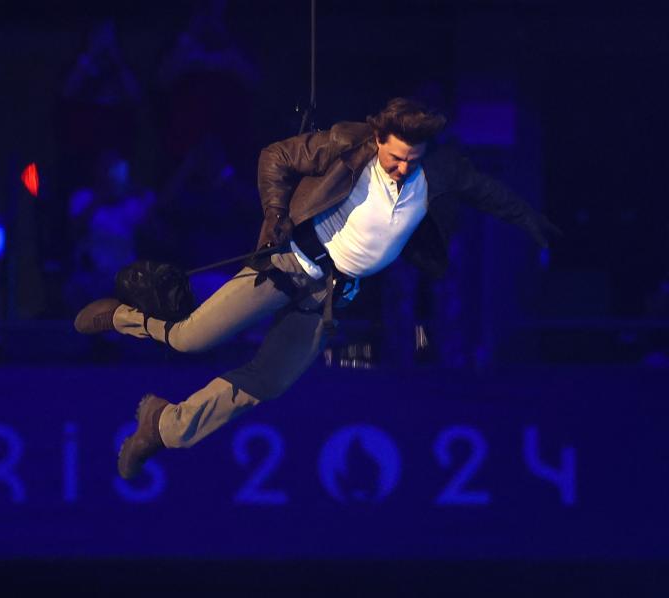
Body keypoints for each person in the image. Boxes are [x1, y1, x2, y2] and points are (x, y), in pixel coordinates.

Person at [73, 97, 560, 479]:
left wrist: (528, 219)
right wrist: (275, 217)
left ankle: (164, 426)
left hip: (327, 294)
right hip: (289, 262)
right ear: (379, 139)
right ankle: (120, 317)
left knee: (269, 382)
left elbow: (484, 190)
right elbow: (275, 156)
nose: (401, 169)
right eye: (394, 158)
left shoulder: (438, 170)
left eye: (411, 160)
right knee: (189, 338)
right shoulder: (351, 143)